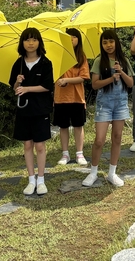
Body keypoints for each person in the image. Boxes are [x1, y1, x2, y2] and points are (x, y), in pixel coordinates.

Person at [82, 30, 134, 187]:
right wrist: (111, 78)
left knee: (117, 137)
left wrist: (121, 72)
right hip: (104, 103)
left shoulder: (123, 61)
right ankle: (93, 173)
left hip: (121, 104)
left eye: (111, 41)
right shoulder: (99, 61)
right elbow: (95, 84)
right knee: (99, 140)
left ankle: (112, 173)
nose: (108, 45)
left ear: (116, 42)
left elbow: (131, 83)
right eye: (105, 42)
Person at [10, 27, 54, 196]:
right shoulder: (18, 63)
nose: (30, 43)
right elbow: (14, 89)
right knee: (27, 145)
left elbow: (47, 86)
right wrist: (17, 82)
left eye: (34, 40)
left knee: (40, 145)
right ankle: (31, 179)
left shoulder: (45, 63)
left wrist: (27, 88)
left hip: (40, 110)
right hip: (23, 110)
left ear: (39, 42)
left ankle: (41, 179)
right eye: (27, 40)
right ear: (22, 43)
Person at [54, 28, 91, 166]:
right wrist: (60, 80)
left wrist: (67, 80)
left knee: (78, 126)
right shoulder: (58, 55)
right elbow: (54, 75)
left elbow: (84, 77)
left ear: (78, 40)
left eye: (74, 37)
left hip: (77, 98)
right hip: (60, 98)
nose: (71, 39)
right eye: (68, 36)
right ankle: (65, 154)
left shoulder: (81, 56)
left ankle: (79, 154)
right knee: (63, 126)